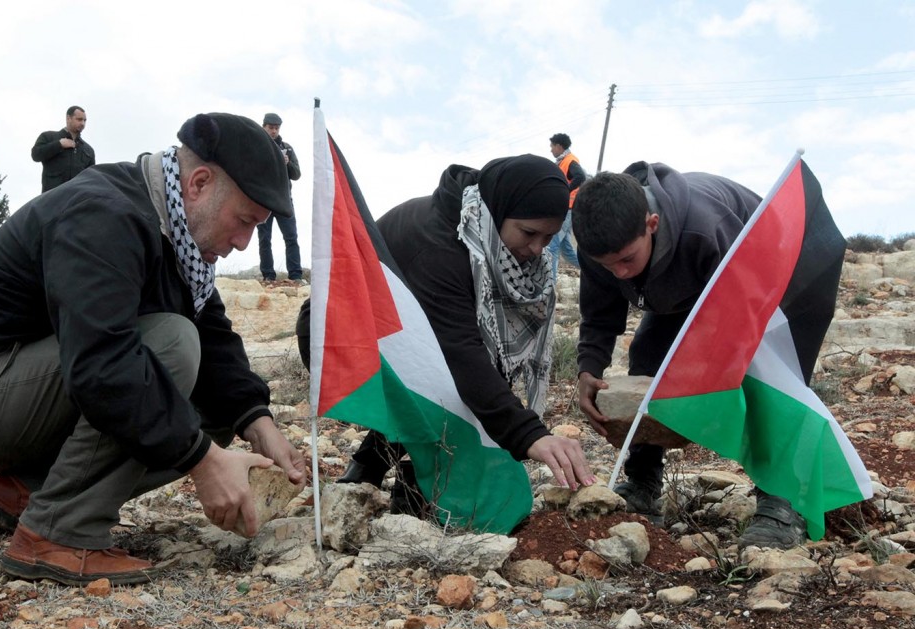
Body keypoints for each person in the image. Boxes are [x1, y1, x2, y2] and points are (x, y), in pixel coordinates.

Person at [0, 113, 307, 586]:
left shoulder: (179, 236)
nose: (244, 242)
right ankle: (58, 532)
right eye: (244, 221)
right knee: (172, 346)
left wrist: (259, 424)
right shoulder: (104, 214)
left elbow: (214, 335)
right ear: (199, 183)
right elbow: (102, 364)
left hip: (15, 391)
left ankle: (29, 489)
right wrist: (205, 463)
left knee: (221, 398)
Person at [300, 155, 595, 496]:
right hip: (339, 338)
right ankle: (410, 477)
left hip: (399, 337)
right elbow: (460, 356)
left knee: (459, 376)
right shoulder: (440, 246)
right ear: (499, 209)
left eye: (548, 238)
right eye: (529, 233)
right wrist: (530, 435)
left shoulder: (484, 232)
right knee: (445, 386)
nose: (536, 249)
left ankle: (376, 468)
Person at [571, 162, 812, 549]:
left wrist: (707, 387)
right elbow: (599, 315)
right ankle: (643, 482)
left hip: (775, 272)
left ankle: (783, 501)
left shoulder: (707, 229)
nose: (618, 273)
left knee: (763, 378)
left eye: (626, 260)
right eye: (607, 265)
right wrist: (588, 369)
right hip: (692, 285)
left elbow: (740, 328)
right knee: (648, 357)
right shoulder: (602, 244)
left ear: (651, 224)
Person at [256, 113, 303, 283]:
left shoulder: (287, 148)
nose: (274, 131)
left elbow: (297, 174)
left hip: (283, 200)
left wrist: (287, 163)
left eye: (276, 128)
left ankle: (296, 276)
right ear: (264, 127)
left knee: (291, 237)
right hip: (263, 201)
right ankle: (268, 276)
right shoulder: (256, 147)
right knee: (264, 239)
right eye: (271, 128)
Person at [545, 133, 586, 279]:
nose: (550, 150)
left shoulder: (570, 160)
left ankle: (550, 285)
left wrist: (564, 191)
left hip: (568, 209)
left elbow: (580, 177)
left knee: (552, 247)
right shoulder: (563, 161)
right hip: (568, 209)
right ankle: (593, 270)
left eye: (552, 146)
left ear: (559, 146)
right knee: (566, 250)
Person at [31, 105, 96, 193]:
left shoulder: (88, 150)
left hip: (76, 200)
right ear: (68, 118)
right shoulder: (49, 137)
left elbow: (91, 178)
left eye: (84, 120)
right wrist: (59, 144)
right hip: (52, 198)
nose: (82, 123)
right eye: (79, 119)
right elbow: (36, 155)